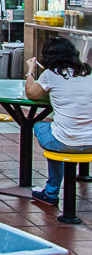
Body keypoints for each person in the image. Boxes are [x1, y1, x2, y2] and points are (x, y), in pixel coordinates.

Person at [25, 38, 92, 206]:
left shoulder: (50, 75)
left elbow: (31, 94)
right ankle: (83, 173)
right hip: (91, 141)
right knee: (60, 123)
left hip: (64, 141)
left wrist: (31, 70)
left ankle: (51, 192)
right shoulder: (88, 72)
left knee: (40, 125)